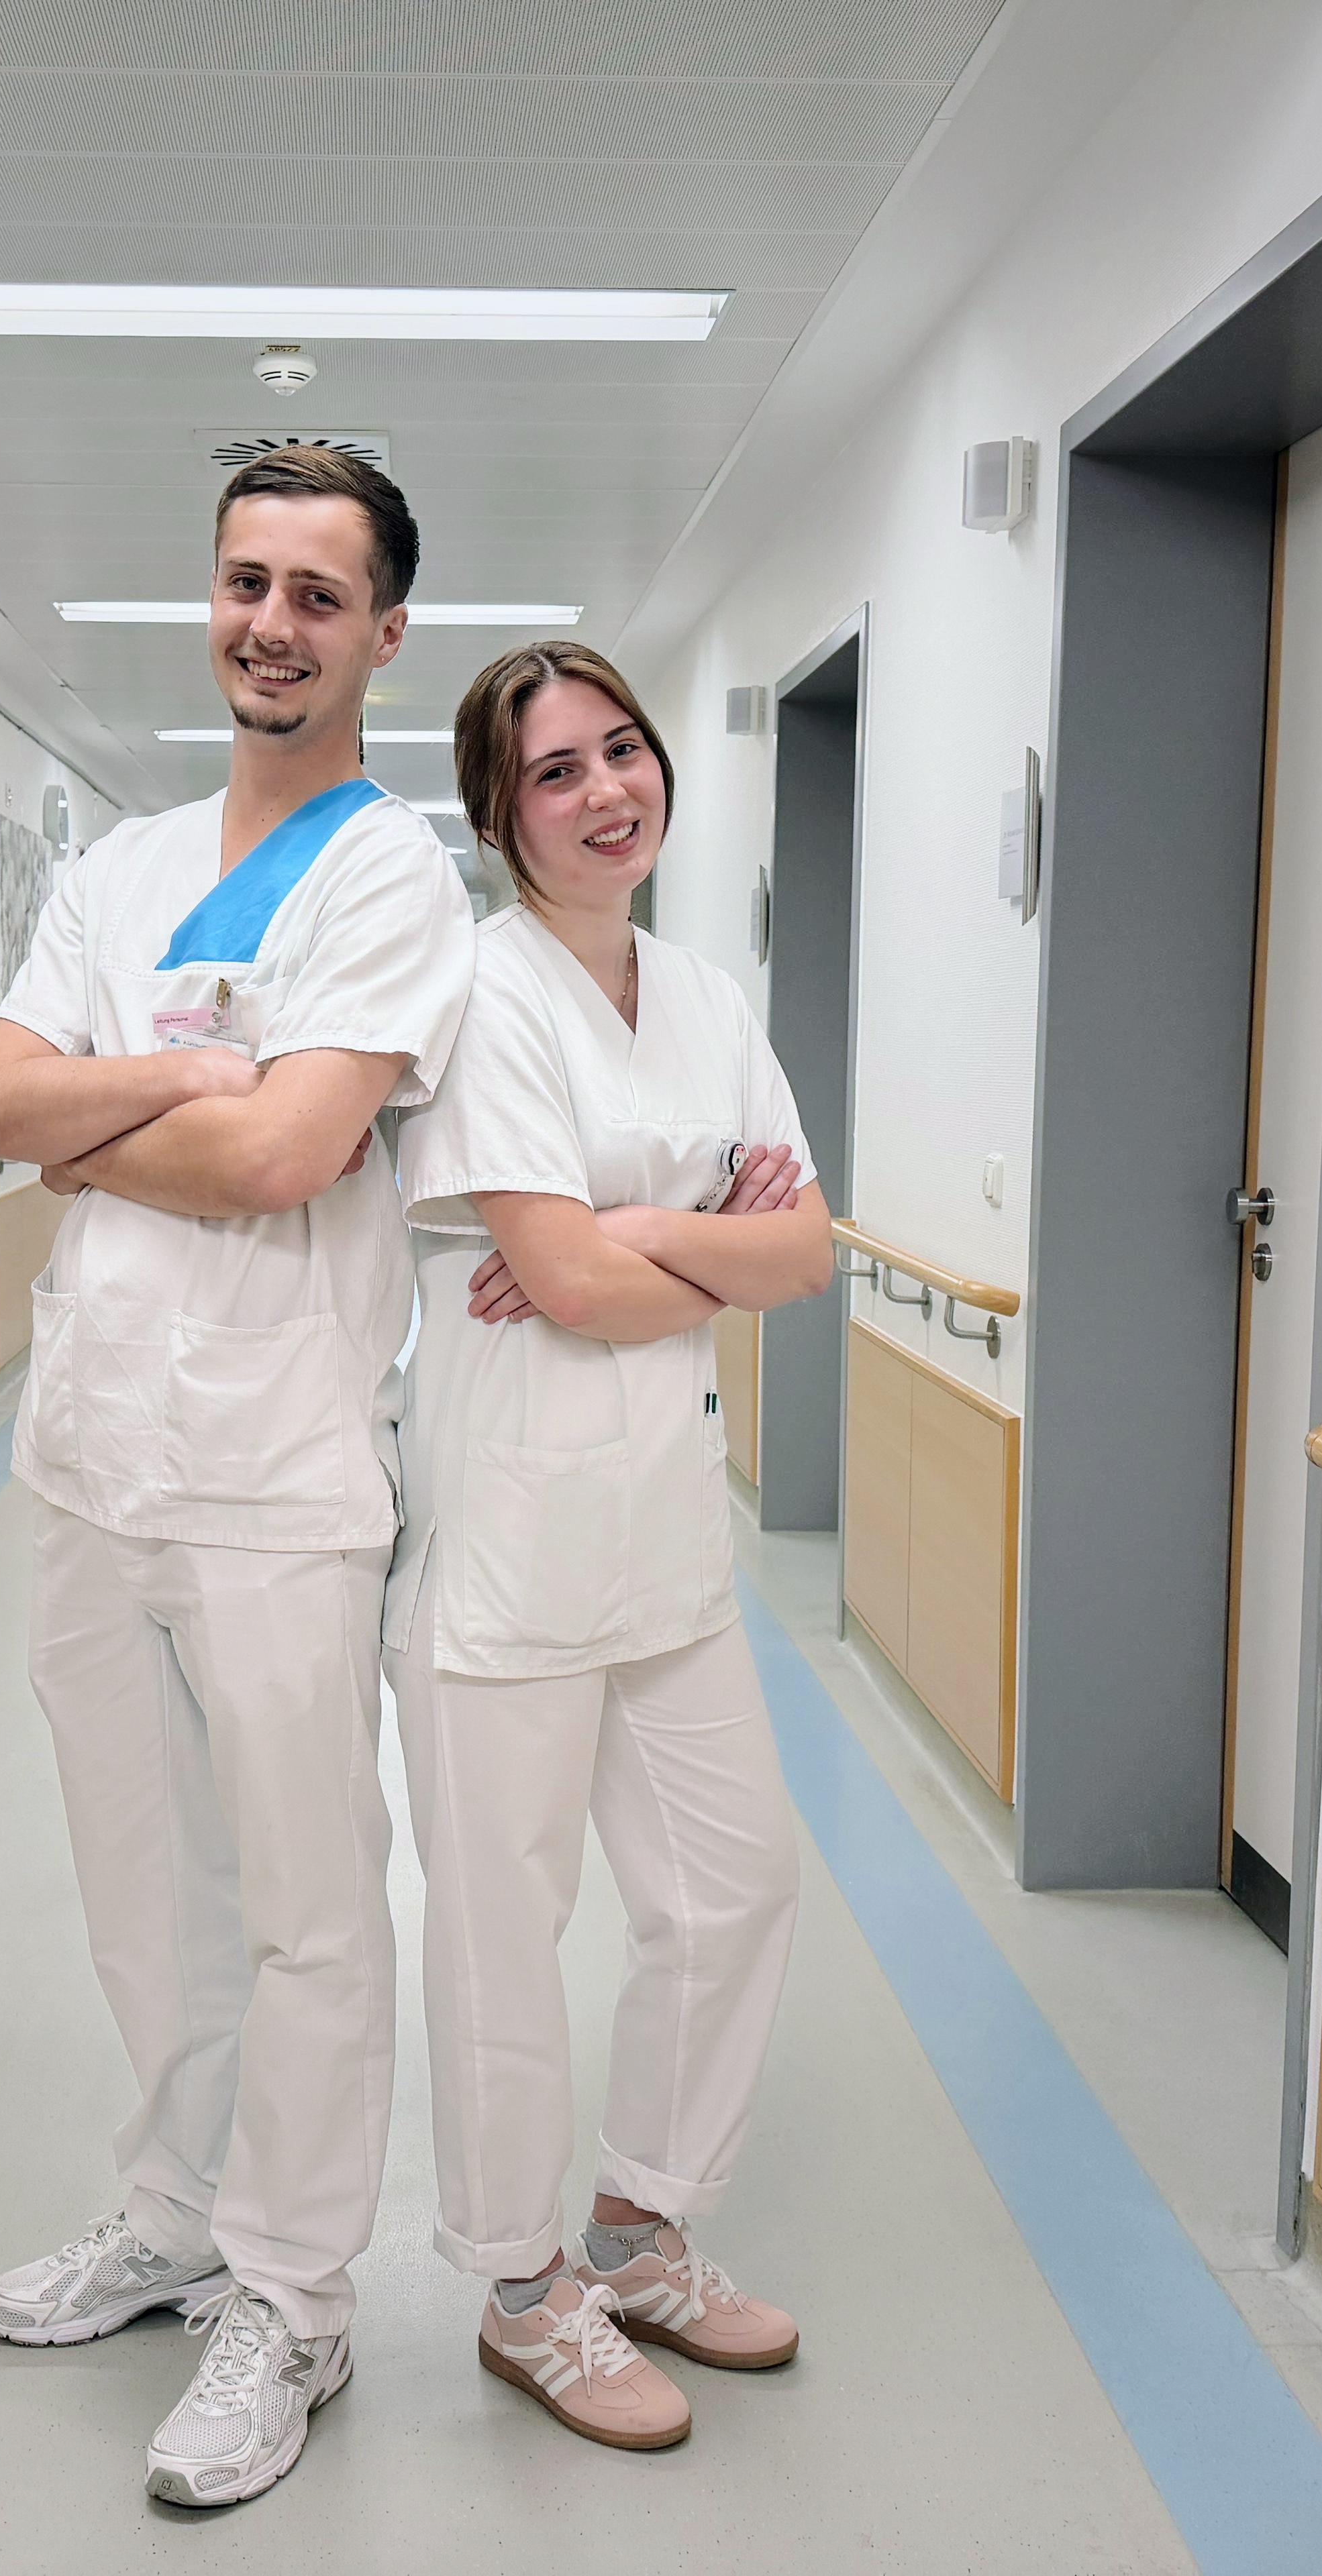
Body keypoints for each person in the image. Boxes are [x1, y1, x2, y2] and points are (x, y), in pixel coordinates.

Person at [0, 445, 474, 2508]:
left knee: (304, 1914)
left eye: (318, 596)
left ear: (383, 633)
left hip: (276, 1474)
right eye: (247, 582)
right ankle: (175, 2220)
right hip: (94, 1459)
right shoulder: (118, 866)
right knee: (143, 1890)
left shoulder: (389, 877)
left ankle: (293, 2296)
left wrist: (106, 1121)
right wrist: (180, 1079)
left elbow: (285, 1159)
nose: (273, 624)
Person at [383, 642, 833, 2449]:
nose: (603, 792)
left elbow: (807, 1255)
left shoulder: (709, 996)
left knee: (735, 1885)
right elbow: (562, 1282)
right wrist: (689, 1239)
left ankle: (642, 2229)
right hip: (506, 1546)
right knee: (505, 1935)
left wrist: (628, 1237)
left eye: (621, 750)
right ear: (500, 817)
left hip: (664, 1540)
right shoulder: (483, 992)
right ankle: (522, 2291)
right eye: (554, 771)